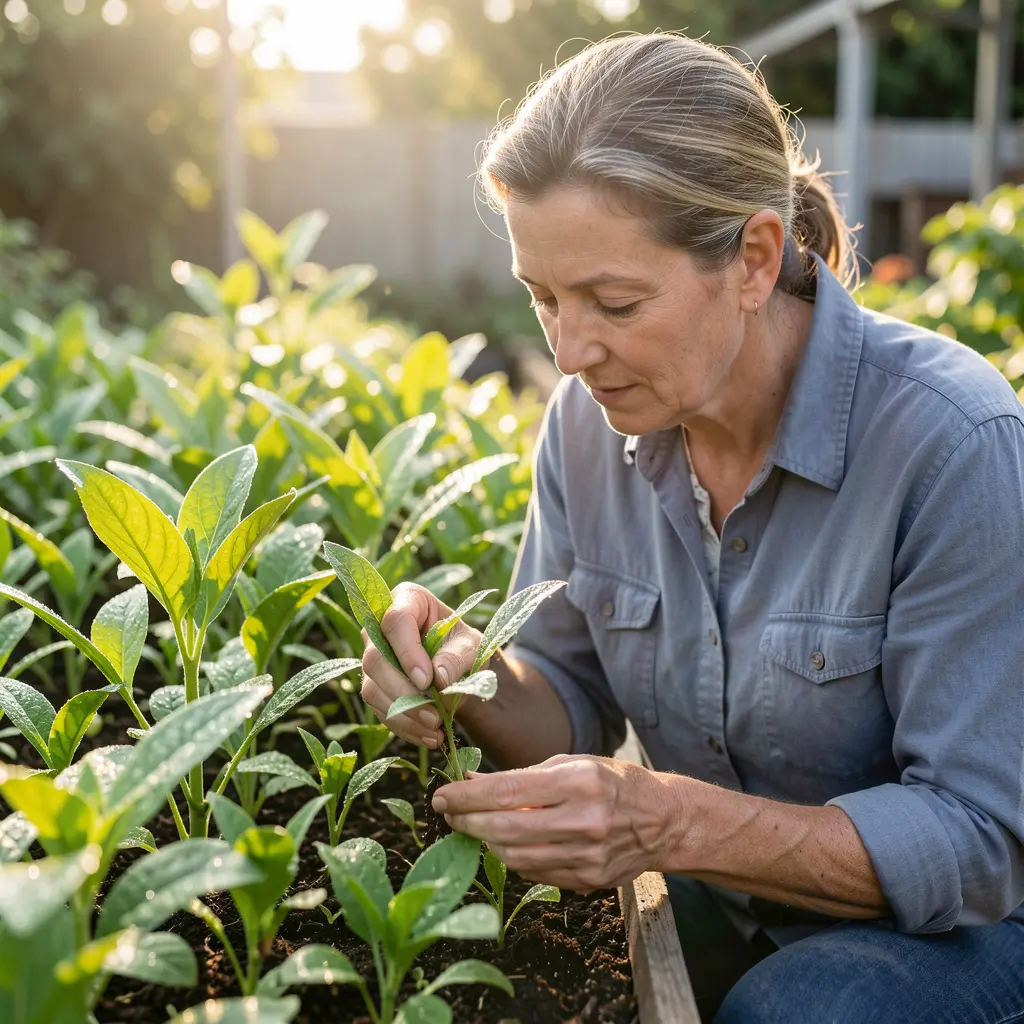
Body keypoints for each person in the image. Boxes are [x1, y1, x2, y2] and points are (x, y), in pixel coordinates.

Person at [359, 32, 1024, 1024]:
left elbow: (981, 840)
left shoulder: (952, 442)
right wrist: (466, 675)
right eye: (542, 298)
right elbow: (569, 700)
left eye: (614, 302)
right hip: (726, 898)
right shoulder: (587, 429)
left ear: (754, 258)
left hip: (961, 935)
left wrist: (665, 818)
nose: (573, 350)